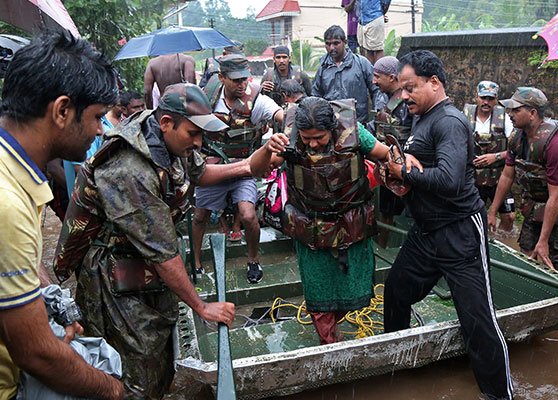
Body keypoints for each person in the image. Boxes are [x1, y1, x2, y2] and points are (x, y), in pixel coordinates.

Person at [53, 82, 281, 399]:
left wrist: (251, 162)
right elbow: (164, 255)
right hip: (111, 271)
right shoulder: (130, 170)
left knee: (161, 343)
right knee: (136, 362)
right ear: (166, 124)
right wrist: (202, 307)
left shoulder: (167, 139)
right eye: (194, 133)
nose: (199, 142)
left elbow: (200, 174)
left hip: (141, 260)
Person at [0, 29, 124, 400]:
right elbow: (36, 353)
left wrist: (51, 303)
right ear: (62, 110)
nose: (100, 130)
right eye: (98, 117)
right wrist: (114, 390)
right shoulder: (6, 201)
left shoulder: (16, 169)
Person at [383, 50, 513, 400]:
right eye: (401, 88)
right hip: (425, 232)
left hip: (459, 232)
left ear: (435, 82)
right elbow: (418, 167)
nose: (404, 95)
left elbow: (451, 179)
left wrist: (405, 171)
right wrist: (398, 173)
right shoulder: (420, 118)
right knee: (396, 291)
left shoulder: (450, 121)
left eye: (411, 87)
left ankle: (500, 395)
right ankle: (396, 365)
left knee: (478, 321)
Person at [252, 96, 406, 345]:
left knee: (354, 287)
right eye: (307, 138)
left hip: (352, 227)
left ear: (332, 129)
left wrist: (402, 167)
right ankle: (329, 340)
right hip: (310, 229)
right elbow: (257, 169)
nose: (312, 144)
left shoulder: (355, 133)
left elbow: (385, 154)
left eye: (319, 137)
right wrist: (268, 148)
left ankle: (335, 324)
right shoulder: (289, 139)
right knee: (318, 290)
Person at [195, 54, 283, 284]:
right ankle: (195, 262)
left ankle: (253, 259)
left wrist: (288, 123)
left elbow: (278, 115)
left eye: (245, 79)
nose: (242, 85)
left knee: (248, 215)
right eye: (235, 80)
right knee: (200, 216)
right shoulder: (207, 98)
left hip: (244, 167)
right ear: (222, 78)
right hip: (213, 165)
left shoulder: (257, 100)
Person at [489, 87, 558, 270]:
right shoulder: (517, 137)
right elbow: (507, 175)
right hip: (536, 199)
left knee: (550, 259)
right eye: (510, 110)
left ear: (532, 113)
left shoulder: (557, 144)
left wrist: (543, 241)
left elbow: (556, 196)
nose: (510, 114)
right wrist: (493, 211)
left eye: (516, 110)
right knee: (526, 251)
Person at [369, 56, 412, 247]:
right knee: (386, 212)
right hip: (387, 168)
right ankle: (385, 246)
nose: (374, 81)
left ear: (393, 77)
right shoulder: (386, 100)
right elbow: (376, 127)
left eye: (378, 76)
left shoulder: (408, 104)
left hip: (406, 170)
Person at [463, 80, 515, 232]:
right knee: (469, 215)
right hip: (472, 176)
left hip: (498, 177)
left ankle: (502, 245)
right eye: (483, 98)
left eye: (490, 99)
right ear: (476, 97)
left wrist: (496, 156)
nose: (486, 102)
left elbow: (516, 149)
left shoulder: (505, 119)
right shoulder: (464, 117)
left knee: (509, 216)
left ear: (496, 99)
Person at [312, 25, 380, 124]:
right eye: (328, 44)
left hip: (359, 124)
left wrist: (378, 112)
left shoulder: (361, 63)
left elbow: (377, 89)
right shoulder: (323, 68)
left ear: (345, 42)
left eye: (336, 43)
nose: (332, 48)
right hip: (332, 125)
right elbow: (315, 96)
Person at [357, 0, 391, 64]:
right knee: (368, 50)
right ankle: (370, 72)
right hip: (361, 20)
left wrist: (380, 14)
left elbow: (386, 2)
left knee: (378, 49)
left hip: (375, 17)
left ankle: (380, 72)